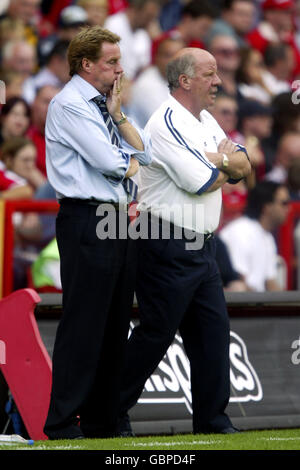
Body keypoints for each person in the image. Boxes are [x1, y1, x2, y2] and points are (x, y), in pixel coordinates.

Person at [117, 47, 251, 436]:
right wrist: (225, 161)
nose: (219, 81)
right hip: (167, 240)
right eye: (210, 74)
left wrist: (220, 160)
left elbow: (245, 165)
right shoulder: (166, 122)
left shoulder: (206, 118)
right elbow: (203, 181)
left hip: (202, 243)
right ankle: (108, 410)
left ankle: (212, 420)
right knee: (156, 334)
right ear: (186, 80)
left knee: (212, 332)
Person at [43, 25, 152, 440]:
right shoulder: (70, 104)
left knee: (113, 324)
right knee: (84, 324)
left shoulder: (105, 105)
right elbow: (112, 160)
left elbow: (141, 153)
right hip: (87, 218)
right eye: (111, 62)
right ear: (86, 64)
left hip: (119, 219)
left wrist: (120, 115)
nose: (120, 69)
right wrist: (135, 161)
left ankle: (102, 420)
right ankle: (61, 420)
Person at [220, 181, 290, 291]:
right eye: (284, 203)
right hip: (243, 305)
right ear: (266, 206)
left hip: (256, 303)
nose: (288, 208)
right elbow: (237, 282)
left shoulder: (267, 237)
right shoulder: (240, 231)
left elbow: (271, 283)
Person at [128, 36, 184, 127]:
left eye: (179, 57)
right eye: (168, 55)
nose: (173, 61)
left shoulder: (178, 81)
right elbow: (167, 125)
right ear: (156, 57)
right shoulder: (146, 85)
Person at [104, 0, 161, 80]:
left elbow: (144, 67)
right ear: (135, 9)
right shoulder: (113, 25)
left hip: (131, 85)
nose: (150, 22)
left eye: (152, 18)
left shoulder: (144, 35)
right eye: (148, 16)